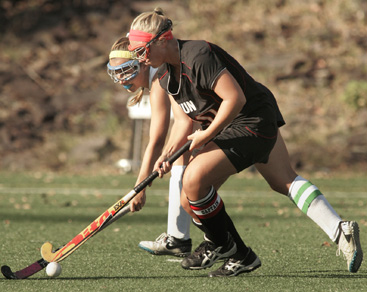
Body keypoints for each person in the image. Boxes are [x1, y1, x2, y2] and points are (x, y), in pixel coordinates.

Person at [127, 8, 363, 277]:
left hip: (252, 120)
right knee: (278, 181)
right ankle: (339, 230)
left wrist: (206, 134)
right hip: (236, 123)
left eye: (141, 49)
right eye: (136, 52)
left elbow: (234, 99)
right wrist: (167, 155)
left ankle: (228, 249)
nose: (140, 58)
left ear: (163, 38)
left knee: (193, 181)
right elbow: (182, 122)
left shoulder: (198, 55)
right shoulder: (166, 76)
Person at [107, 37, 194, 257]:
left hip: (230, 121)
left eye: (126, 71)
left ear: (143, 62)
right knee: (283, 181)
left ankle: (182, 239)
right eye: (117, 73)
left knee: (188, 168)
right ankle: (179, 238)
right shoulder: (158, 77)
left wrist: (140, 187)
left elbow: (157, 138)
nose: (122, 79)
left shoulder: (159, 79)